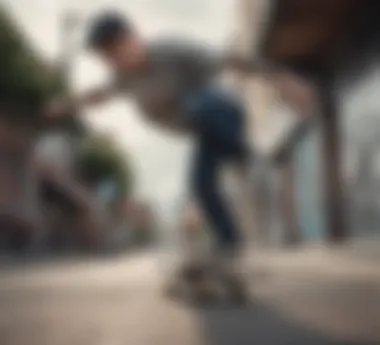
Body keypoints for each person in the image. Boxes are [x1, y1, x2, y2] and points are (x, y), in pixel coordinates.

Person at [44, 11, 315, 299]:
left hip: (224, 113)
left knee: (197, 104)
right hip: (205, 133)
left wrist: (280, 77)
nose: (115, 60)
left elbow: (229, 59)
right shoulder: (122, 79)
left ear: (133, 37)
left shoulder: (170, 50)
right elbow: (97, 95)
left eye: (116, 49)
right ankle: (231, 249)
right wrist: (65, 105)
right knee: (201, 185)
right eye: (107, 57)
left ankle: (246, 158)